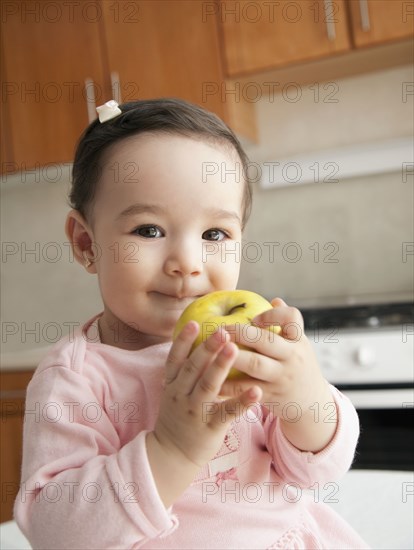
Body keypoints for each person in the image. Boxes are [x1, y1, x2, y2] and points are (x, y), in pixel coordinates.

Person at [14, 98, 369, 549]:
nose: (187, 262)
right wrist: (172, 448)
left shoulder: (247, 342)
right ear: (86, 243)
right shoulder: (77, 380)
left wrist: (303, 395)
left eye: (214, 234)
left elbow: (316, 470)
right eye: (148, 230)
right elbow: (57, 534)